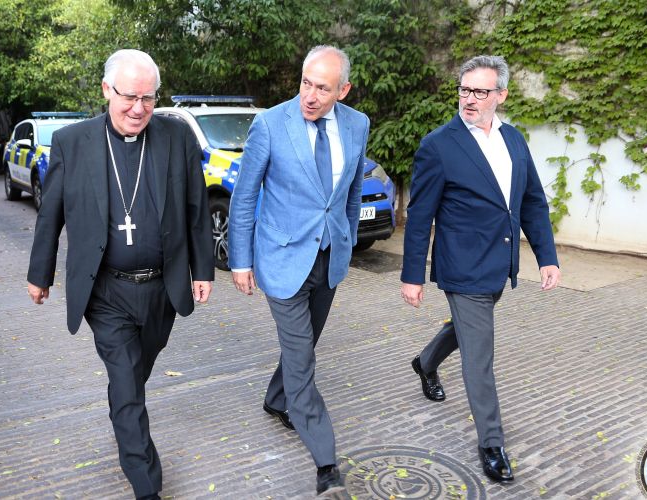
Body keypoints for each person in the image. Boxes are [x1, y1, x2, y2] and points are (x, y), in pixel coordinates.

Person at [27, 49, 214, 499]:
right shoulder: (74, 142)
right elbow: (50, 213)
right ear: (107, 89)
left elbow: (196, 210)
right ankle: (147, 486)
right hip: (106, 291)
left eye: (149, 98)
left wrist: (202, 268)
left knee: (131, 377)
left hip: (161, 289)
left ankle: (123, 410)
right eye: (130, 97)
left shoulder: (176, 138)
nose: (139, 108)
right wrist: (41, 273)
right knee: (128, 385)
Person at [400, 55, 561, 484]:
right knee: (480, 356)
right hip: (462, 265)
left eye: (480, 92)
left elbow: (531, 201)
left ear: (501, 95)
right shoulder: (439, 144)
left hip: (500, 264)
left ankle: (426, 363)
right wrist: (412, 274)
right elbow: (420, 215)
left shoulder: (514, 139)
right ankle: (492, 443)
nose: (469, 99)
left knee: (468, 329)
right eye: (464, 89)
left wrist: (546, 256)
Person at [229, 45, 369, 498]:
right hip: (282, 259)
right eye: (306, 83)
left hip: (329, 260)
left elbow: (349, 195)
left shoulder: (357, 124)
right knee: (303, 359)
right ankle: (326, 462)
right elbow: (245, 198)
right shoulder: (270, 124)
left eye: (322, 88)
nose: (310, 95)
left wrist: (346, 244)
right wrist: (241, 260)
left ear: (342, 90)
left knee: (302, 346)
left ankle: (276, 398)